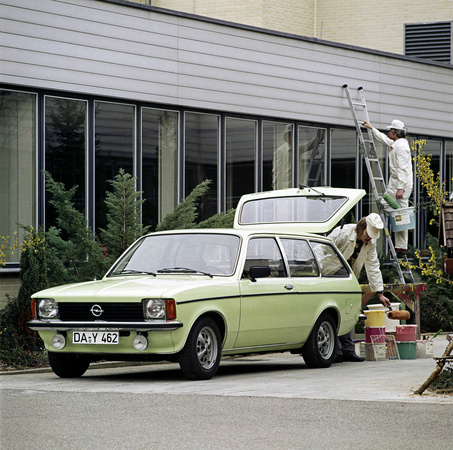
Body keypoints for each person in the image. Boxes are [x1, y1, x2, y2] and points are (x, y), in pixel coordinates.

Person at [328, 214, 391, 363]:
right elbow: (322, 250)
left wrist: (379, 293)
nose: (369, 238)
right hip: (330, 274)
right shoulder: (342, 233)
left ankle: (348, 351)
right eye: (367, 235)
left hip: (348, 278)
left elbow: (373, 266)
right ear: (361, 229)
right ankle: (335, 352)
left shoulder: (370, 243)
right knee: (334, 311)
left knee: (349, 311)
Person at [363, 119, 413, 255]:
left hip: (400, 184)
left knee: (391, 207)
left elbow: (402, 168)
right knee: (400, 213)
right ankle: (401, 246)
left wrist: (400, 188)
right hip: (398, 183)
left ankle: (403, 236)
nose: (388, 132)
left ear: (396, 133)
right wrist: (372, 128)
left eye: (391, 130)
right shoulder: (398, 143)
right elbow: (384, 139)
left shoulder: (401, 147)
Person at [272, 125, 324, 190]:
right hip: (286, 188)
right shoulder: (280, 151)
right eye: (291, 136)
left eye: (295, 135)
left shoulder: (298, 148)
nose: (294, 138)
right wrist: (276, 189)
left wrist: (322, 133)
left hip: (299, 186)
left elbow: (311, 144)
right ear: (287, 137)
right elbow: (277, 172)